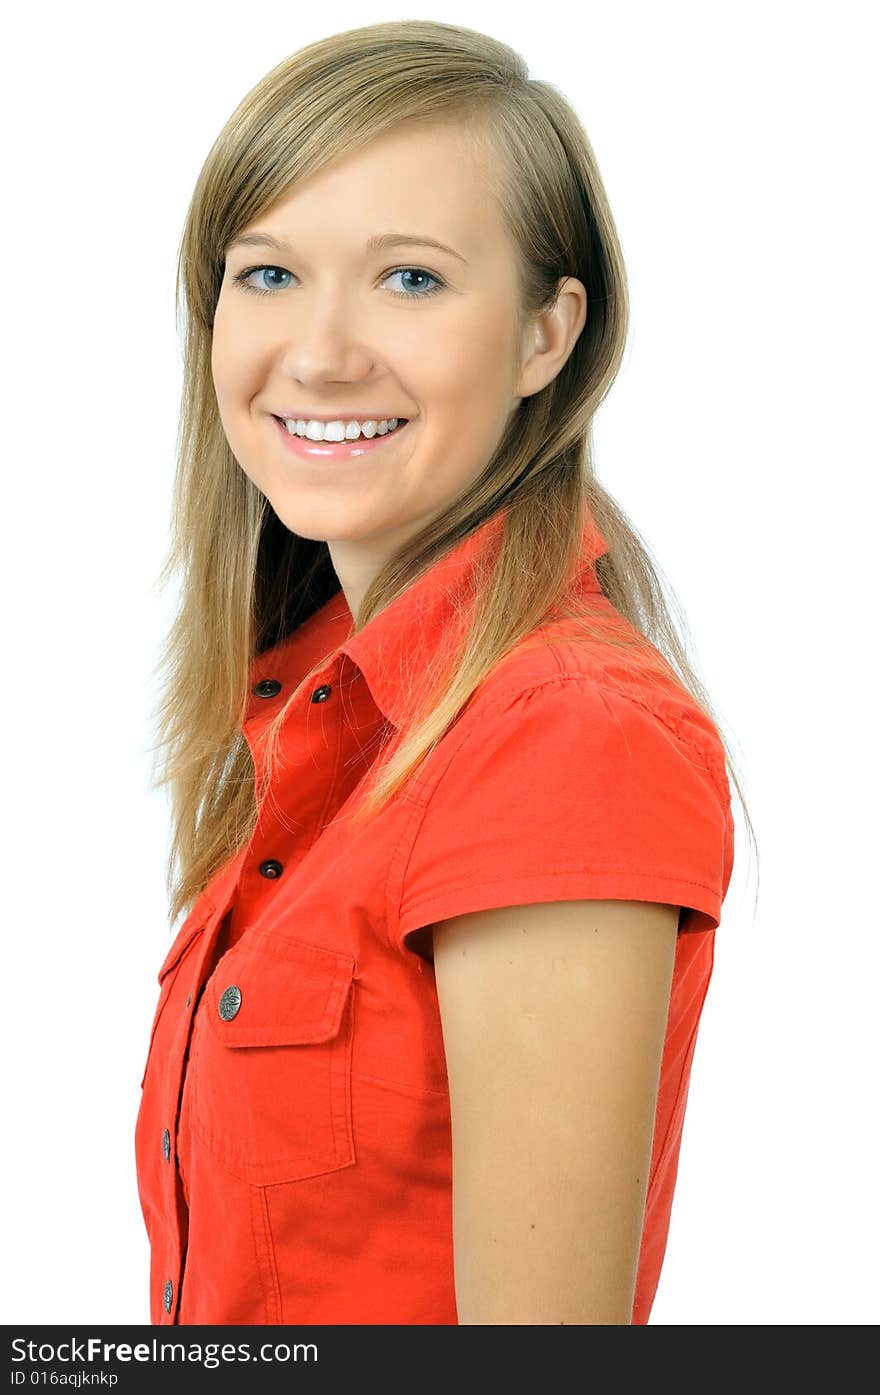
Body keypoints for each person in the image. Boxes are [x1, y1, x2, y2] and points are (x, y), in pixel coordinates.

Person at [135, 18, 752, 1326]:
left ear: (546, 336)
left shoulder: (562, 740)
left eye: (410, 280)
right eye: (268, 274)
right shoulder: (306, 705)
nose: (319, 351)